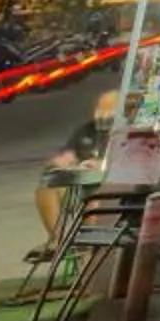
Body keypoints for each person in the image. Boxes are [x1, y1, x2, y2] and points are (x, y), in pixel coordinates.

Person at [32, 89, 120, 250]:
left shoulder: (124, 132)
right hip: (83, 184)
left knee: (94, 202)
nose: (103, 116)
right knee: (46, 188)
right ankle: (58, 240)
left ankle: (90, 248)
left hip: (109, 189)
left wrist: (104, 165)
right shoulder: (87, 130)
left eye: (108, 111)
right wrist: (62, 162)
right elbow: (68, 155)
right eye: (100, 110)